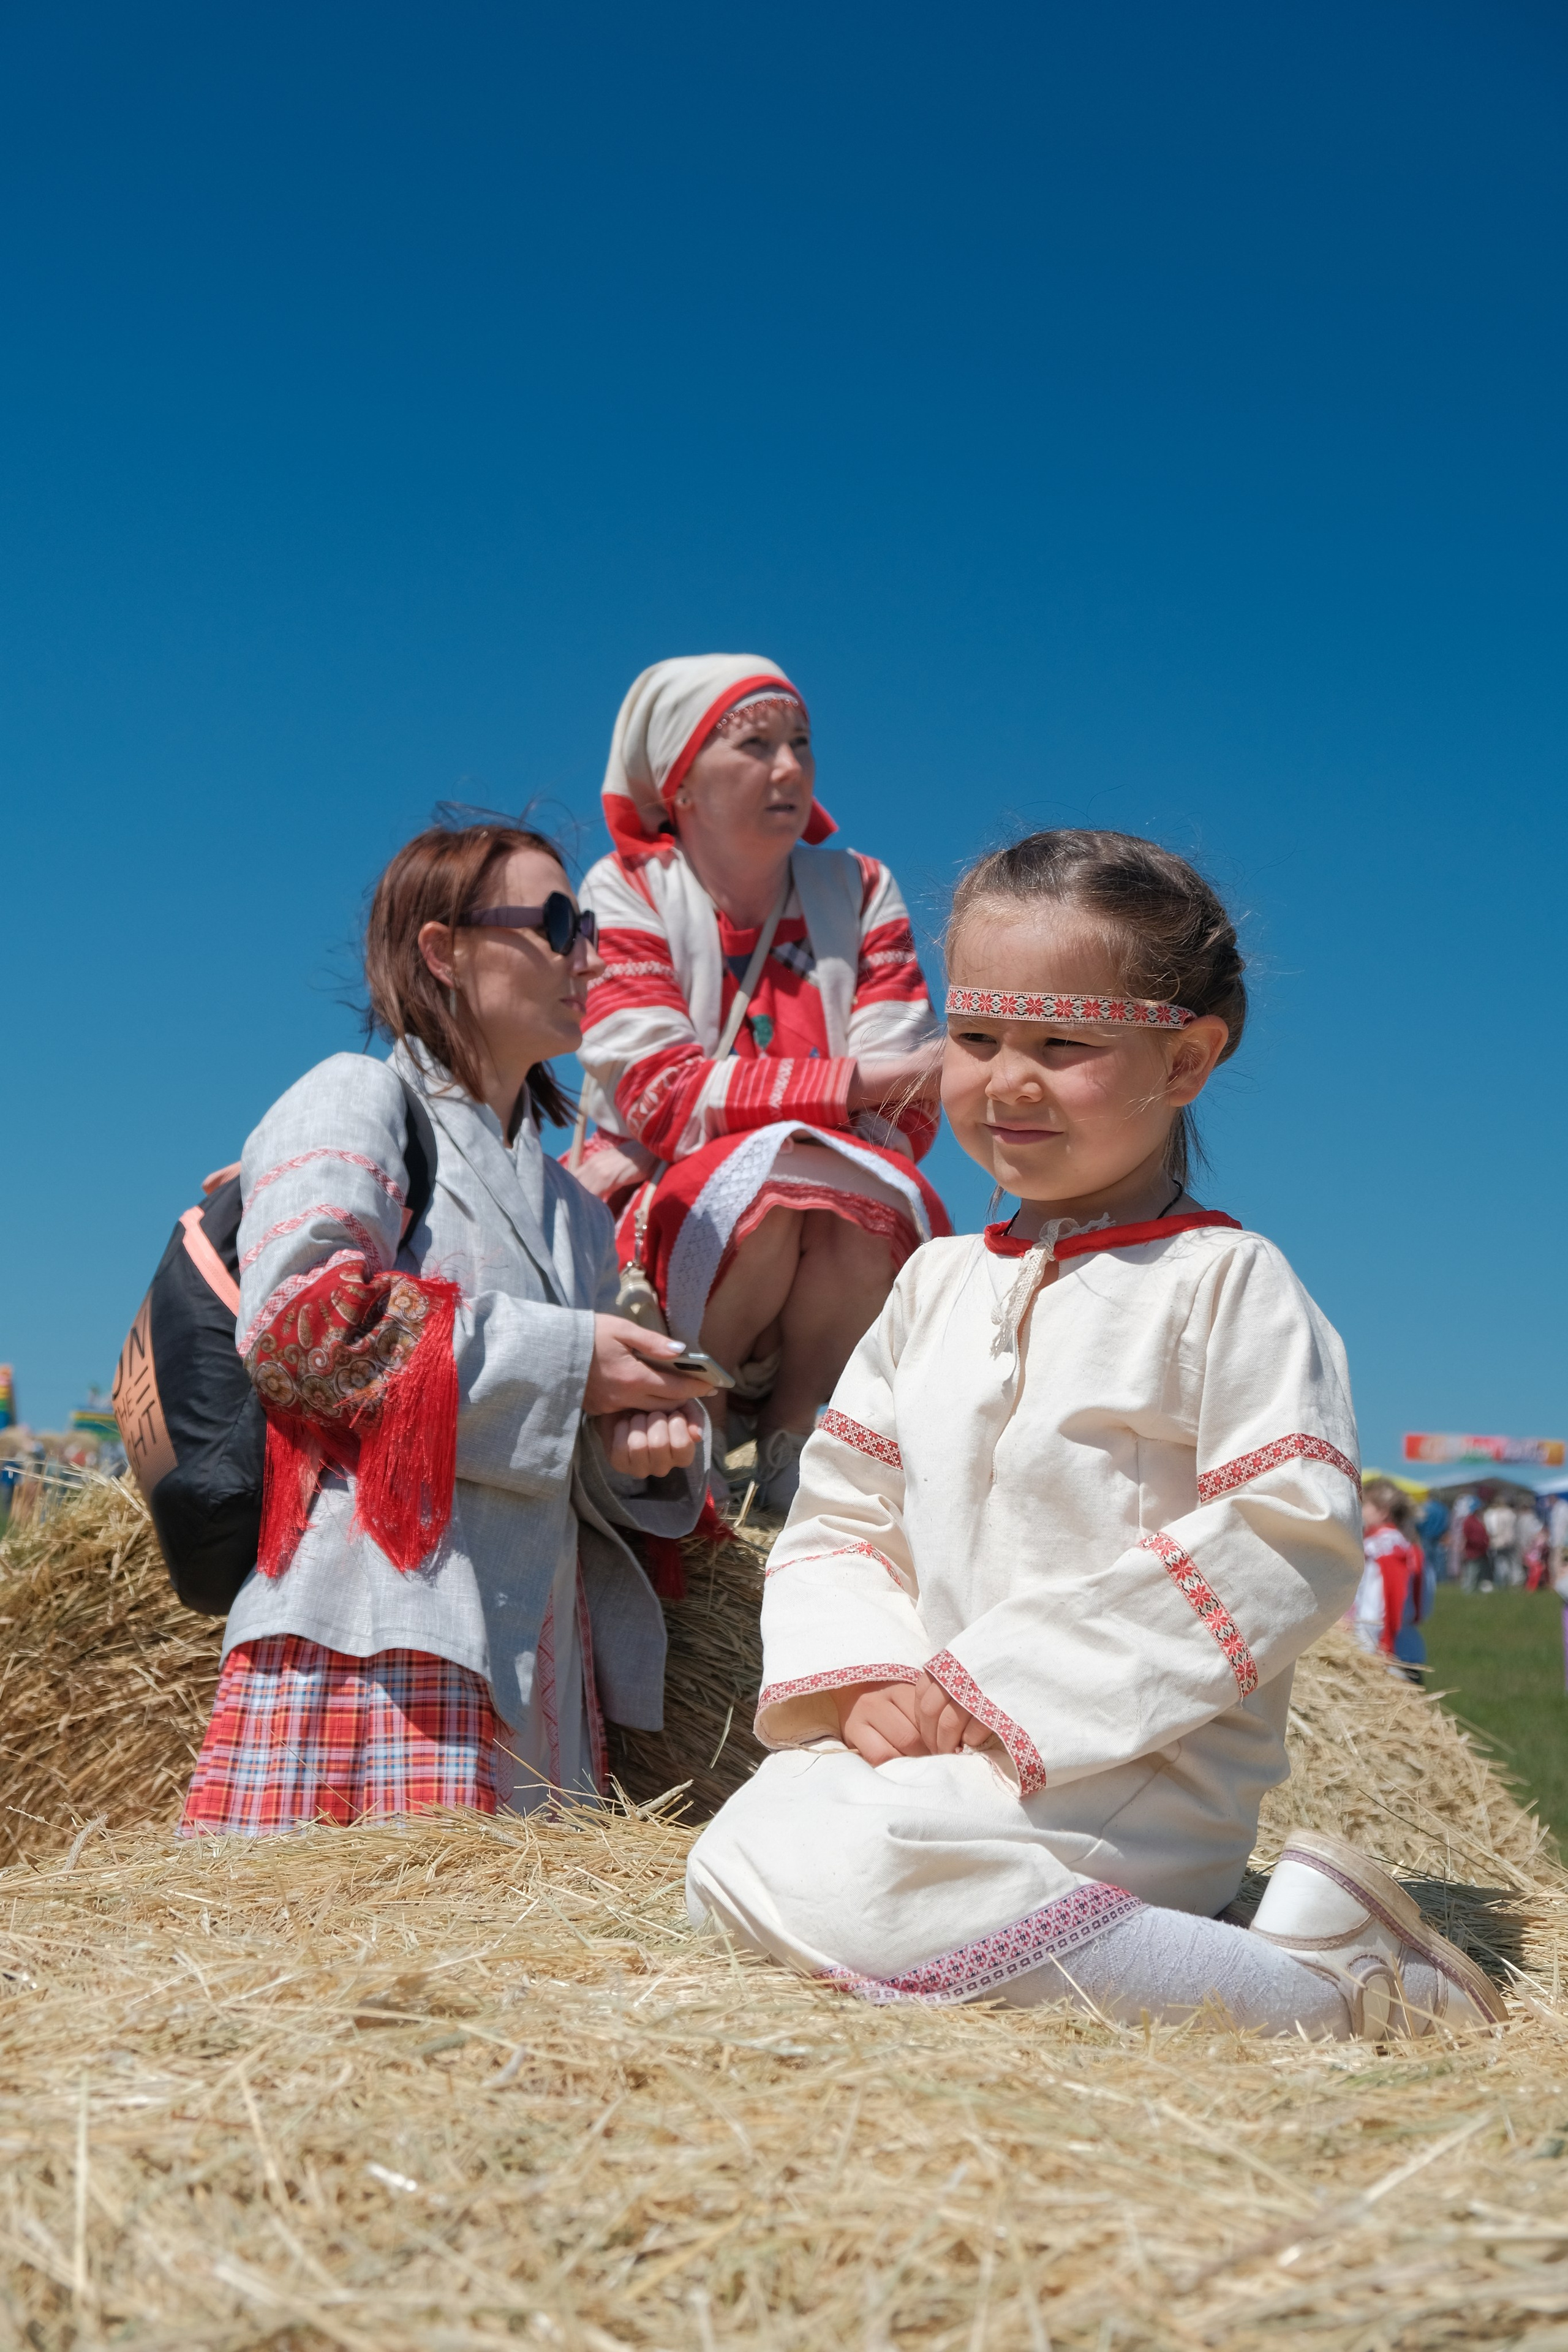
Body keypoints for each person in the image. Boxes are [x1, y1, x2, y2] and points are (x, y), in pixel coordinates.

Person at [685, 828, 1504, 2038]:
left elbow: (1286, 1531)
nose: (1005, 1080)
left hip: (1125, 1771)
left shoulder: (1226, 1283)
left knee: (863, 1885)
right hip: (937, 1756)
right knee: (734, 1859)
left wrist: (998, 1687)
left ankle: (1332, 2001)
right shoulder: (932, 1284)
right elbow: (846, 1507)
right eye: (974, 1040)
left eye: (1060, 1045)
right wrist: (868, 1682)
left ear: (1181, 1059)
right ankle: (1280, 1954)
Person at [180, 819, 717, 1835]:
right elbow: (302, 1332)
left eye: (590, 925)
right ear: (443, 950)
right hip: (372, 1646)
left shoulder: (579, 1214)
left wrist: (633, 1442)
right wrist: (575, 1363)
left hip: (539, 1682)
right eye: (557, 923)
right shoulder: (352, 1096)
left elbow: (555, 1432)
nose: (589, 955)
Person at [574, 655, 949, 1515]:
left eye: (801, 744)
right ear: (682, 783)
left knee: (855, 1188)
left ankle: (790, 1437)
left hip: (834, 1199)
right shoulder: (623, 889)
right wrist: (871, 1079)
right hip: (662, 1197)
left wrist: (828, 1103)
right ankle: (698, 1419)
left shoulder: (860, 890)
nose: (789, 768)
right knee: (777, 1186)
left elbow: (907, 1118)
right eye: (754, 745)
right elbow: (662, 1099)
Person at [1355, 1479, 1427, 1680]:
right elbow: (1424, 1607)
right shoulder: (1413, 1548)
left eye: (1365, 1506)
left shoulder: (1374, 1550)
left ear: (1383, 1511)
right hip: (1411, 1650)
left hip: (1380, 1655)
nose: (1360, 1512)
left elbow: (1374, 1609)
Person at [1483, 1496, 1520, 1588]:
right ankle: (1515, 1580)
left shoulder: (1495, 1514)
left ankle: (1502, 1581)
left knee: (1500, 1562)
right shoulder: (1511, 1513)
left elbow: (1492, 1529)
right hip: (1511, 1540)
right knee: (1513, 1562)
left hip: (1499, 1540)